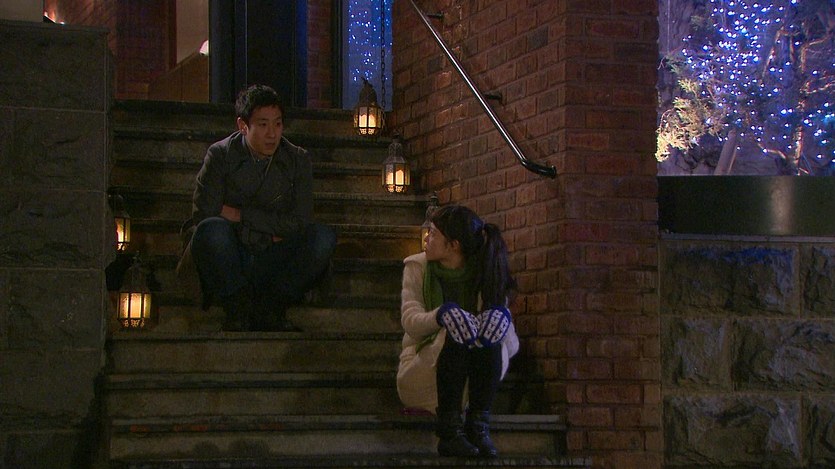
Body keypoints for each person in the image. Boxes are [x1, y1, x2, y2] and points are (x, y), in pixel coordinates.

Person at [183, 84, 336, 332]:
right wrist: (271, 230)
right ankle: (238, 307)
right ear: (243, 126)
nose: (272, 134)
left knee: (323, 238)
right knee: (210, 231)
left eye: (278, 124)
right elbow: (205, 211)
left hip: (272, 254)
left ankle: (272, 306)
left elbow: (301, 221)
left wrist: (239, 214)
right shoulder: (220, 154)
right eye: (263, 125)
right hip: (233, 252)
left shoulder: (297, 159)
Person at [396, 204, 519, 458]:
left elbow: (512, 346)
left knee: (488, 331)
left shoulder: (485, 271)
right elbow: (410, 321)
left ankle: (478, 427)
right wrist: (441, 315)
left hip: (474, 383)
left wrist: (501, 320)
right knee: (457, 329)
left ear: (454, 245)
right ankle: (449, 432)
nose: (426, 238)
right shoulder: (418, 267)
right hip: (424, 375)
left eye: (433, 234)